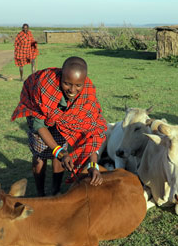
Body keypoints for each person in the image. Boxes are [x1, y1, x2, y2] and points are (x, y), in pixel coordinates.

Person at [11, 56, 107, 196]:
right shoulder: (45, 88)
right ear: (61, 77)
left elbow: (91, 133)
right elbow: (39, 125)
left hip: (62, 116)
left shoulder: (88, 95)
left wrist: (93, 165)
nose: (72, 90)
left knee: (60, 154)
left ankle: (55, 191)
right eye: (67, 83)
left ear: (84, 82)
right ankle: (40, 193)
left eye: (78, 85)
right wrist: (60, 152)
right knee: (40, 156)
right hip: (39, 113)